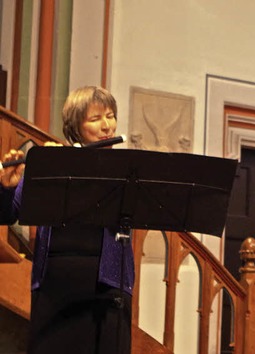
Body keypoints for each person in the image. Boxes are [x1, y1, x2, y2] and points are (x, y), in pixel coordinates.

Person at [10, 86, 133, 354]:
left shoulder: (126, 170)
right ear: (75, 126)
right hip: (55, 290)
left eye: (110, 116)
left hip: (108, 290)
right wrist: (7, 187)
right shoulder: (50, 162)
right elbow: (8, 212)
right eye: (95, 119)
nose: (107, 126)